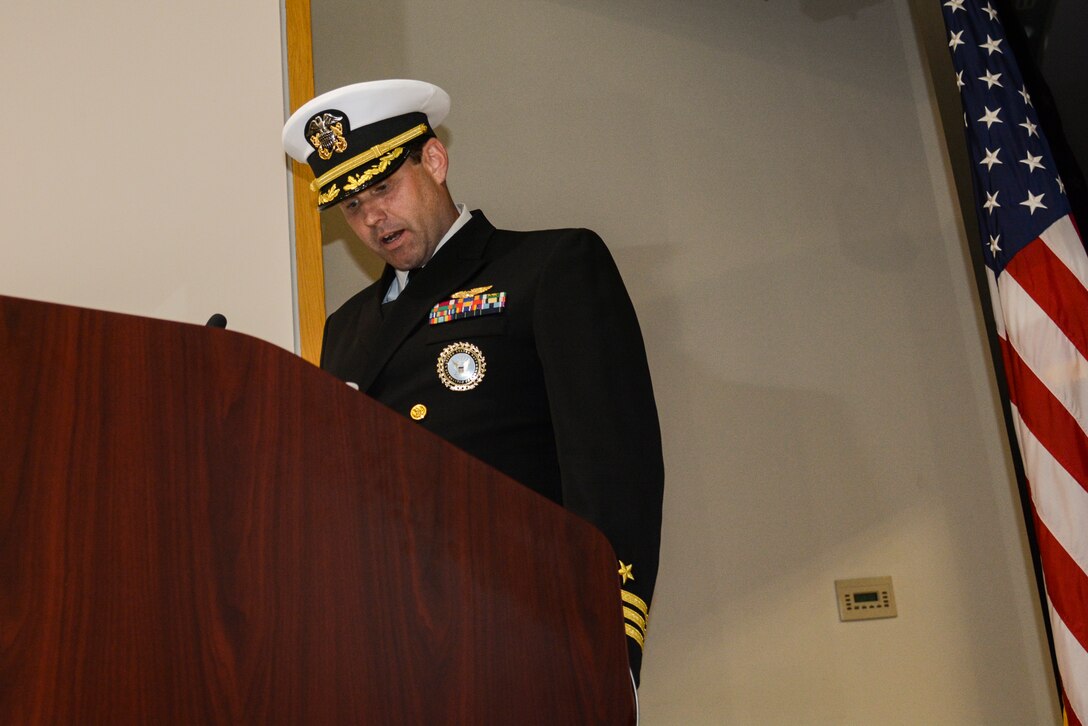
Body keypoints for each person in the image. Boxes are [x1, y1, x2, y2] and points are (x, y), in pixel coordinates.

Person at [282, 79, 663, 686]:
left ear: (434, 160)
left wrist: (610, 640)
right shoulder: (346, 328)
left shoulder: (550, 267)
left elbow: (613, 469)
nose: (373, 217)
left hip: (525, 627)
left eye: (383, 186)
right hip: (391, 644)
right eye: (351, 205)